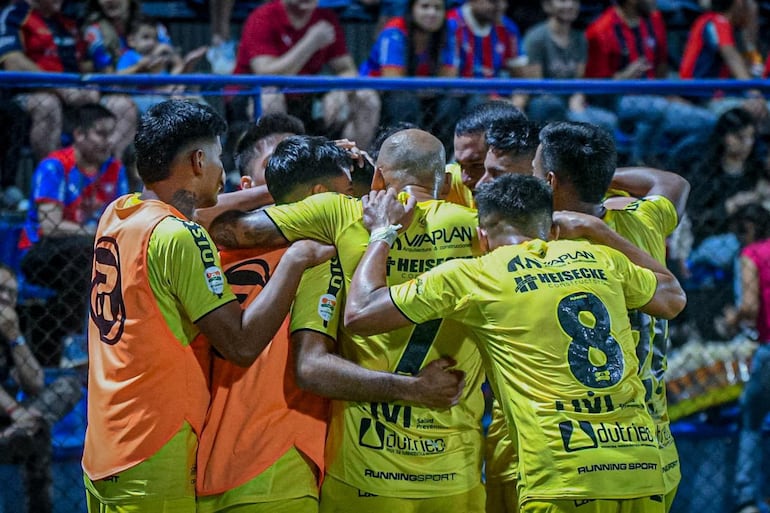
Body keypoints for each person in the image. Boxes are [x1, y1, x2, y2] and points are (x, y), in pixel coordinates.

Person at [344, 173, 687, 513]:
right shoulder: (601, 259)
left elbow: (360, 313)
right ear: (552, 230)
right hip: (641, 467)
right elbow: (672, 298)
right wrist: (598, 231)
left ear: (481, 237)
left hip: (564, 478)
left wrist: (382, 232)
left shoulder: (477, 274)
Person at [209, 128, 487, 512]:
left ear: (376, 177)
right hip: (455, 470)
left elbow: (225, 228)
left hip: (365, 471)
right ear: (443, 179)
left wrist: (289, 184)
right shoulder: (479, 231)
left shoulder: (339, 214)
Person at [82, 100, 334, 511]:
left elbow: (203, 211)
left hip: (104, 443)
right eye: (218, 159)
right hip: (154, 445)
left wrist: (287, 186)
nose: (224, 174)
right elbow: (240, 343)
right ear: (199, 160)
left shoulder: (119, 214)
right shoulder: (179, 236)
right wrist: (296, 260)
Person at [533, 121, 690, 512]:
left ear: (550, 181)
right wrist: (597, 177)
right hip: (655, 454)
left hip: (581, 457)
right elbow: (672, 182)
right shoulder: (644, 219)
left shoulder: (541, 247)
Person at [18, 103, 129, 367]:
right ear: (79, 134)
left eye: (112, 134)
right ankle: (76, 340)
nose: (110, 141)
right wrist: (96, 234)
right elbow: (51, 226)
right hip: (41, 251)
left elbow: (122, 219)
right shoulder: (54, 167)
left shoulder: (115, 168)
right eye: (101, 134)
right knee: (86, 251)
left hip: (92, 247)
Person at [235, 0, 380, 149]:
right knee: (270, 99)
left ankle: (353, 165)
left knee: (366, 97)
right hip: (252, 97)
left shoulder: (325, 19)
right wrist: (311, 42)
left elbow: (347, 69)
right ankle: (273, 167)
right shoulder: (262, 17)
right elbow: (266, 74)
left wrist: (340, 90)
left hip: (307, 100)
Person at [584, 0, 715, 166]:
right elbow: (595, 89)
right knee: (655, 110)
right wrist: (623, 78)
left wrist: (668, 95)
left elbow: (661, 66)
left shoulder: (655, 20)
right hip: (617, 102)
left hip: (656, 99)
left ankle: (668, 165)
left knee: (708, 122)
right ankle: (640, 162)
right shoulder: (600, 30)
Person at [0, 263, 82, 513]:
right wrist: (17, 412)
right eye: (0, 290)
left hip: (10, 425)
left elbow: (35, 384)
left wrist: (15, 336)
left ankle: (21, 432)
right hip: (12, 415)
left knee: (68, 386)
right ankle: (24, 429)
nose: (5, 297)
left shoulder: (9, 327)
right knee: (37, 431)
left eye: (11, 293)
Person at [0, 0, 101, 163]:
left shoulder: (67, 20)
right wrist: (61, 89)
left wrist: (90, 86)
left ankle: (109, 181)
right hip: (26, 97)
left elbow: (86, 64)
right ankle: (52, 177)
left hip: (74, 96)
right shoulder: (15, 14)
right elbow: (13, 61)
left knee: (120, 105)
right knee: (47, 104)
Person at [719, 203, 770, 513]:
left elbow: (750, 306)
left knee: (751, 420)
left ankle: (747, 498)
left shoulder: (752, 255)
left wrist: (731, 319)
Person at [360, 0, 459, 151]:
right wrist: (430, 86)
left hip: (423, 93)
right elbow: (393, 81)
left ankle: (443, 159)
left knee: (450, 104)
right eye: (425, 7)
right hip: (382, 94)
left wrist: (429, 87)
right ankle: (401, 155)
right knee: (404, 101)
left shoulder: (447, 32)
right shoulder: (394, 31)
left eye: (438, 8)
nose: (432, 13)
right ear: (412, 10)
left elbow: (449, 79)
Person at [522, 0, 618, 133]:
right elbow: (538, 86)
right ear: (547, 6)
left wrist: (577, 97)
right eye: (563, 1)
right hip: (546, 102)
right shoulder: (536, 37)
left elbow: (578, 80)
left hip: (571, 102)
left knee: (608, 121)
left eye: (574, 1)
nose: (570, 5)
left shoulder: (580, 38)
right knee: (558, 109)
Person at [446, 100, 527, 208]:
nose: (464, 179)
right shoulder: (445, 181)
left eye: (477, 165)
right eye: (461, 165)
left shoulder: (549, 194)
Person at [679, 0, 753, 80]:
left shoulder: (731, 28)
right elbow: (732, 58)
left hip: (710, 87)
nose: (750, 11)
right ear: (739, 4)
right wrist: (752, 90)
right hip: (696, 89)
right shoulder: (717, 22)